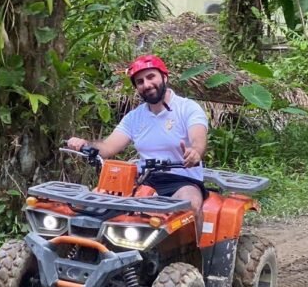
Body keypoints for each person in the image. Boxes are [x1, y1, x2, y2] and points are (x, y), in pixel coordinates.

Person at [67, 54, 209, 220]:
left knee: (190, 205)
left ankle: (194, 238)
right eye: (140, 82)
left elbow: (198, 138)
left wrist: (195, 151)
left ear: (164, 77)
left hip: (182, 181)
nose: (146, 85)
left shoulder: (188, 108)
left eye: (151, 77)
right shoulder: (134, 117)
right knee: (87, 204)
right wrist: (85, 144)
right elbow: (107, 147)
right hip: (144, 180)